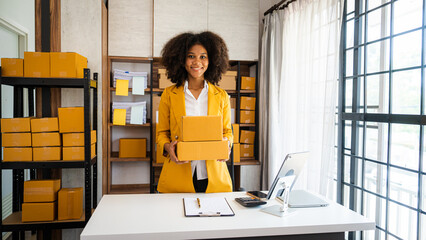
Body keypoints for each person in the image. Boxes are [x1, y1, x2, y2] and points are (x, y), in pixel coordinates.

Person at [156, 31, 233, 193]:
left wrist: (227, 144)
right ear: (181, 59)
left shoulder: (221, 95)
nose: (197, 62)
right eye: (191, 56)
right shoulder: (169, 94)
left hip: (213, 175)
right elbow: (162, 133)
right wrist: (168, 147)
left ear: (212, 60)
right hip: (179, 173)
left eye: (203, 56)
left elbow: (227, 131)